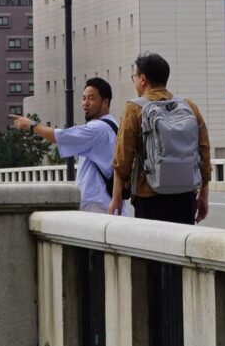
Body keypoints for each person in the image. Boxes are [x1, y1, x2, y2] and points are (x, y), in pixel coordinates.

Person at [112, 53, 210, 224]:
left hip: (149, 196)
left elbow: (122, 159)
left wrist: (116, 198)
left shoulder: (134, 108)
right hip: (185, 195)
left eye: (135, 77)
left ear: (143, 79)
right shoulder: (189, 106)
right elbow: (204, 150)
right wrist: (203, 195)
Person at [15, 79, 122, 214]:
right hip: (105, 201)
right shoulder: (113, 125)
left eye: (91, 99)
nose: (85, 103)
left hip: (97, 205)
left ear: (105, 102)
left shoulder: (97, 129)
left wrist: (32, 125)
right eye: (84, 98)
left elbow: (61, 137)